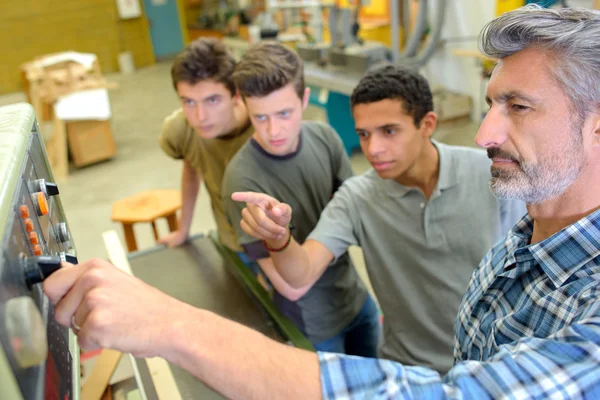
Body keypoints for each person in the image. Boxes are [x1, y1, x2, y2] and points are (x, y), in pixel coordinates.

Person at [43, 5, 600, 398]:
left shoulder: (495, 188)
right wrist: (280, 239)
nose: (484, 133)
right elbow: (298, 271)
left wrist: (171, 325)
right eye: (490, 105)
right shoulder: (527, 212)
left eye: (519, 107)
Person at [234, 62, 525, 373]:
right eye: (363, 134)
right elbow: (300, 274)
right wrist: (279, 238)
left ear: (427, 124)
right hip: (409, 372)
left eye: (389, 131)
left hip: (493, 365)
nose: (373, 149)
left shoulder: (489, 174)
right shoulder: (356, 198)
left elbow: (528, 267)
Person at [222, 42, 380, 355]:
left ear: (304, 99)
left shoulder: (325, 138)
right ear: (242, 105)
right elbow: (292, 287)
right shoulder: (242, 182)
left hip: (357, 299)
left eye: (284, 113)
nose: (274, 130)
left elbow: (361, 215)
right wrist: (289, 239)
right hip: (314, 327)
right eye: (260, 117)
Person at [156, 38, 258, 274]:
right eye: (189, 102)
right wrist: (183, 229)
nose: (200, 116)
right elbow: (192, 169)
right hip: (232, 243)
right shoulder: (180, 129)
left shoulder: (265, 126)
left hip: (280, 246)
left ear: (236, 94)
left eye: (212, 100)